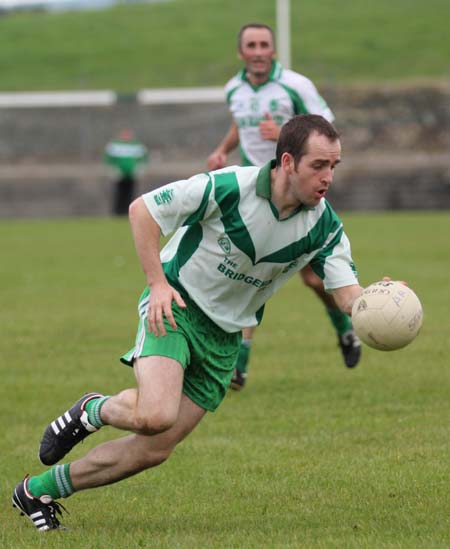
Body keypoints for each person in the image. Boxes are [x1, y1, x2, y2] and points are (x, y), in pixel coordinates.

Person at [13, 115, 366, 531]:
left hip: (225, 337)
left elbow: (348, 296)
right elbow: (142, 209)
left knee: (154, 449)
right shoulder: (229, 187)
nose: (328, 178)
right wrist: (157, 284)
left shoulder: (324, 226)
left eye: (333, 167)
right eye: (318, 166)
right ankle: (94, 409)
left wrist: (381, 303)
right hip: (176, 305)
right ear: (287, 162)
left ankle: (36, 491)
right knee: (156, 414)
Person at [207, 23, 361, 390]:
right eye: (251, 45)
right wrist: (222, 150)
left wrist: (285, 134)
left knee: (312, 278)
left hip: (299, 191)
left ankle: (345, 331)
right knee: (246, 268)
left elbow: (326, 130)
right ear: (241, 52)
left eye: (264, 45)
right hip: (254, 194)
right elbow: (241, 124)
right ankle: (238, 366)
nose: (258, 51)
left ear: (273, 51)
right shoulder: (234, 88)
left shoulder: (296, 85)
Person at [104, 129, 149, 215]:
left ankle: (128, 211)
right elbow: (108, 159)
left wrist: (139, 169)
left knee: (130, 193)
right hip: (119, 175)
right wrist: (113, 170)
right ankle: (118, 212)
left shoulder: (136, 145)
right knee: (119, 194)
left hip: (131, 175)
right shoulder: (115, 145)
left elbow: (143, 158)